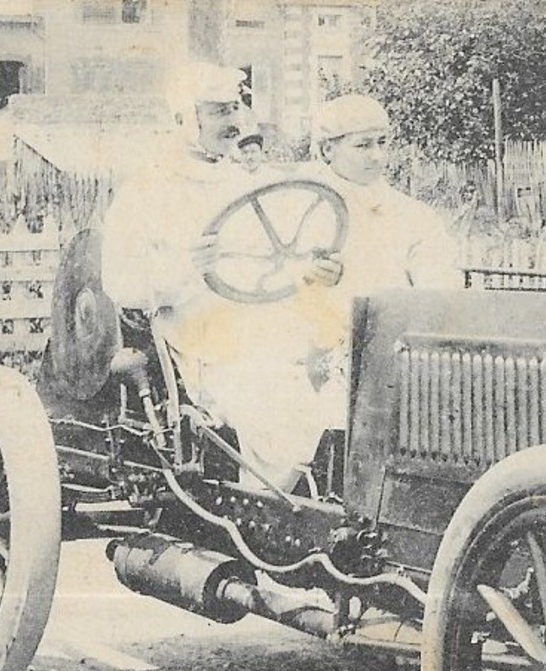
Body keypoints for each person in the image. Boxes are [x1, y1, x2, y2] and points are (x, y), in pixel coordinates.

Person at [101, 62, 328, 491]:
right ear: (186, 119)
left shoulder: (243, 179)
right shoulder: (147, 189)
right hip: (196, 335)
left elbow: (280, 254)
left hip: (265, 319)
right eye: (222, 112)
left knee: (339, 382)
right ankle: (266, 508)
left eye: (238, 108)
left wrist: (311, 267)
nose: (236, 122)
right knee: (274, 402)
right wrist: (187, 267)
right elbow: (122, 283)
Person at [292, 93, 460, 405]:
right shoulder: (297, 207)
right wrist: (304, 276)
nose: (377, 156)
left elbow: (440, 289)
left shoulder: (414, 215)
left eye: (382, 143)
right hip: (310, 357)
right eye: (363, 145)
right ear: (328, 149)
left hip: (394, 357)